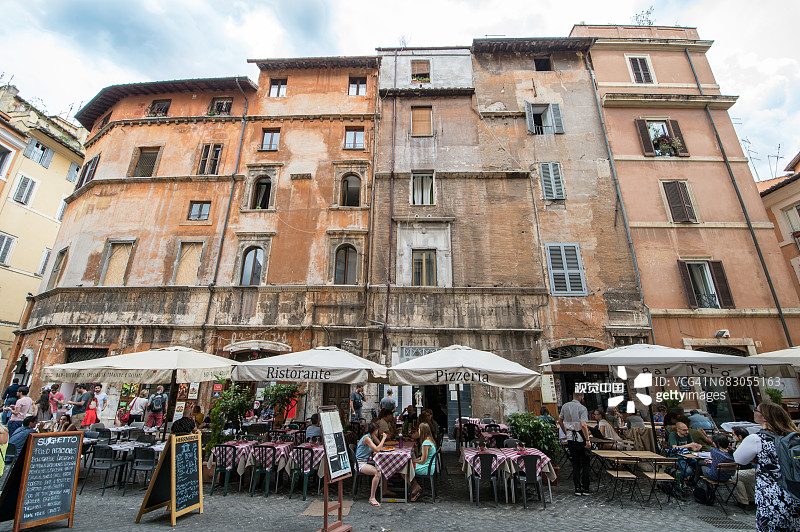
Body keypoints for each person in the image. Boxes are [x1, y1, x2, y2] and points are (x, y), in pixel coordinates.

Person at [734, 402, 800, 531]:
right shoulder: (794, 437)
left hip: (772, 495)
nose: (753, 412)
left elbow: (739, 459)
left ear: (764, 417)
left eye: (756, 410)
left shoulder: (757, 439)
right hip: (795, 490)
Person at [559, 392, 591, 496]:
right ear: (580, 397)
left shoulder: (565, 406)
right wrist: (587, 440)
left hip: (570, 437)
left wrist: (565, 431)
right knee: (586, 462)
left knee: (575, 463)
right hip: (581, 438)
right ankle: (585, 488)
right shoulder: (582, 408)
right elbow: (583, 424)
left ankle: (577, 487)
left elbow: (560, 420)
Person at [355, 421, 386, 507]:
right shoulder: (367, 438)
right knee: (377, 473)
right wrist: (384, 438)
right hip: (360, 463)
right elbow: (377, 448)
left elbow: (376, 447)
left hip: (366, 461)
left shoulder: (371, 437)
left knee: (382, 468)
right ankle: (372, 497)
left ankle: (383, 489)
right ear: (376, 430)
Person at [408, 422, 436, 502]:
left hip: (426, 467)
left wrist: (413, 463)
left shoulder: (425, 443)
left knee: (405, 470)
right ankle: (415, 486)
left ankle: (415, 487)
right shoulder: (430, 440)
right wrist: (414, 461)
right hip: (430, 465)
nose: (418, 431)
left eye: (419, 430)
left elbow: (423, 461)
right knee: (408, 466)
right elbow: (422, 457)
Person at [668, 421, 703, 485]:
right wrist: (689, 445)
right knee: (688, 471)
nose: (686, 432)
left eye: (687, 430)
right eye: (684, 430)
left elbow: (693, 448)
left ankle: (692, 482)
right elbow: (674, 447)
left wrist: (697, 448)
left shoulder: (688, 435)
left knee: (699, 466)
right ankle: (676, 479)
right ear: (678, 429)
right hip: (677, 456)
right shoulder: (673, 435)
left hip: (687, 456)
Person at [731, 426, 756, 507]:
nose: (733, 437)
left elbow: (740, 460)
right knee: (743, 477)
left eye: (734, 435)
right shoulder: (746, 443)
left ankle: (743, 501)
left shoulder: (745, 445)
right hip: (752, 470)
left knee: (736, 476)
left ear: (740, 437)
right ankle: (751, 498)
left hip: (755, 470)